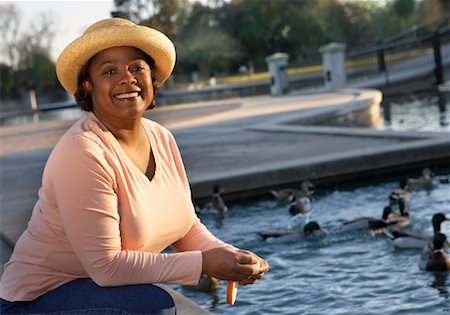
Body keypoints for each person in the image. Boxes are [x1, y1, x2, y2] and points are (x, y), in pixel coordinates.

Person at [0, 18, 268, 314]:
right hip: (35, 301)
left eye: (137, 67)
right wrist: (204, 264)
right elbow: (107, 267)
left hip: (97, 293)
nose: (127, 78)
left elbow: (185, 226)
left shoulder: (161, 138)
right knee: (153, 306)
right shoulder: (82, 151)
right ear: (87, 86)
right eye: (110, 71)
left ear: (152, 78)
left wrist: (229, 256)